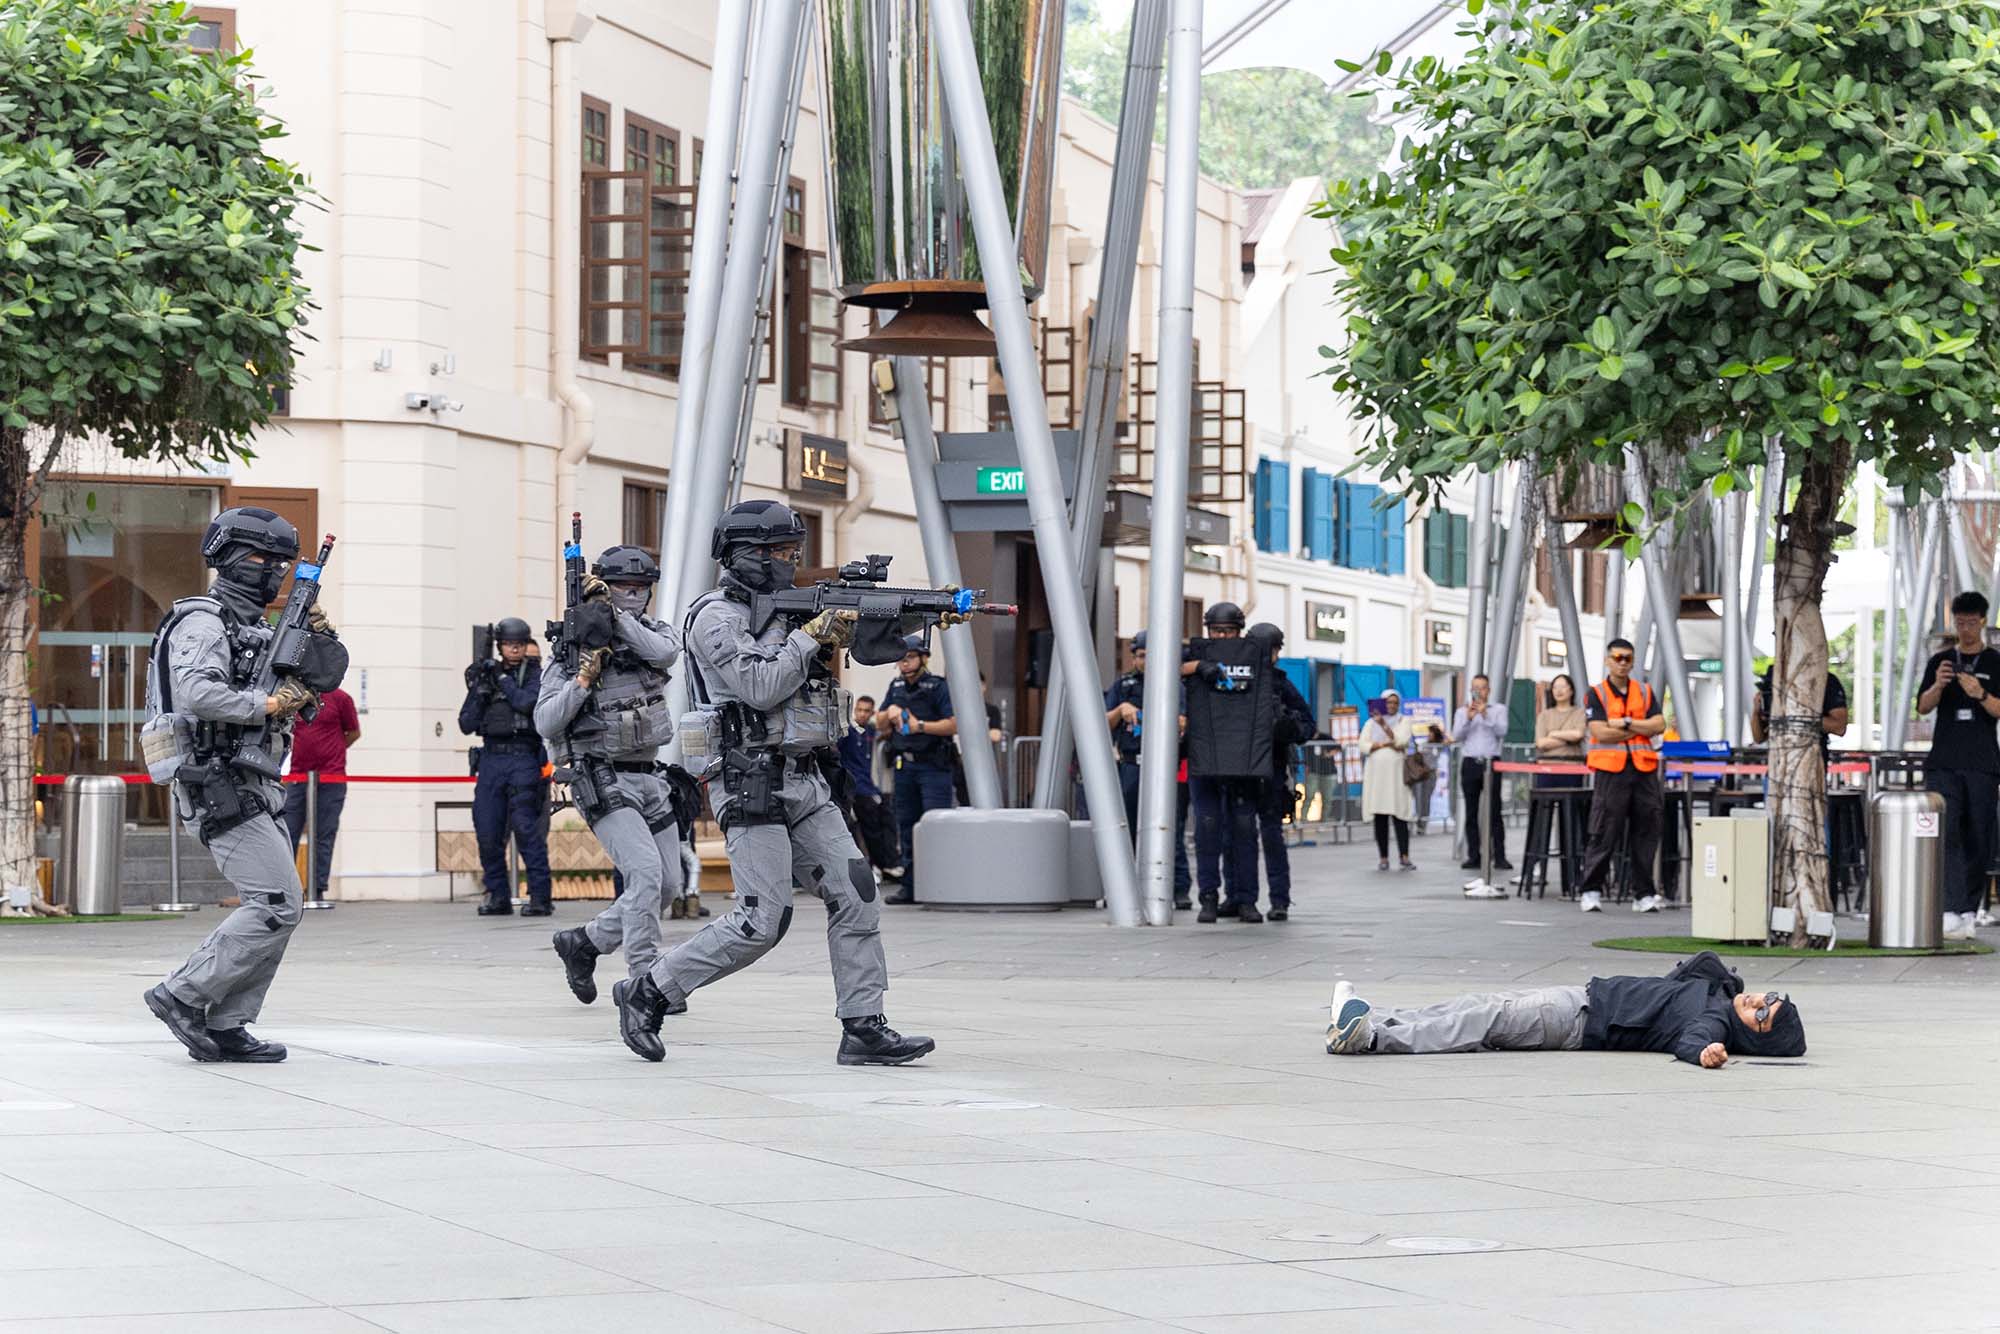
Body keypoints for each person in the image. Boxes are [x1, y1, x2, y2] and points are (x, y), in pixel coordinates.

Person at [612, 500, 931, 1066]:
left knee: (857, 895)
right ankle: (650, 989)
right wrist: (811, 636)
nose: (789, 561)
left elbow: (859, 642)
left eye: (793, 551)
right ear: (746, 555)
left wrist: (908, 618)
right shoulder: (714, 616)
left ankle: (863, 1025)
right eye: (780, 552)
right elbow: (759, 686)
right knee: (762, 920)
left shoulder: (788, 609)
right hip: (748, 778)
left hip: (806, 777)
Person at [143, 507, 337, 1064]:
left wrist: (318, 637)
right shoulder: (205, 621)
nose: (272, 570)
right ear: (229, 558)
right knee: (276, 902)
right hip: (216, 778)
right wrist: (270, 703)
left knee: (283, 904)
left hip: (256, 778)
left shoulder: (256, 628)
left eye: (280, 562)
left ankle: (227, 1023)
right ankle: (183, 994)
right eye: (260, 558)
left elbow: (322, 677)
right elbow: (197, 693)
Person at [542, 545, 687, 1008]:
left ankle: (585, 942)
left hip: (650, 776)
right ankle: (645, 979)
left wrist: (614, 616)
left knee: (669, 884)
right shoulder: (573, 650)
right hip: (604, 777)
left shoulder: (653, 633)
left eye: (642, 588)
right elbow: (545, 721)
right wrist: (582, 681)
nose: (635, 595)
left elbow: (665, 653)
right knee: (644, 874)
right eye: (625, 587)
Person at [1325, 951, 1805, 1066]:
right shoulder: (1719, 997)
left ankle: (1372, 1037)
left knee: (1482, 1020)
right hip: (1581, 998)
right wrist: (1730, 984)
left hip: (1577, 1019)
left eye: (1763, 1014)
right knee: (1476, 1005)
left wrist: (1705, 1053)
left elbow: (1693, 1041)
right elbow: (1699, 962)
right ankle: (1375, 1020)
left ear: (1754, 1035)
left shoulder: (1714, 1021)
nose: (1759, 1002)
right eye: (1770, 998)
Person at [1915, 591, 2000, 939]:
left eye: (1970, 622)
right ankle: (1949, 907)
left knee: (1978, 834)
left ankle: (1969, 908)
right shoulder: (1941, 661)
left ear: (1982, 621)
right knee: (1946, 830)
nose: (1965, 629)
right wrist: (1939, 685)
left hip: (1982, 763)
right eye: (1960, 622)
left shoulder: (1995, 662)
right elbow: (1922, 706)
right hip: (1944, 762)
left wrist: (1980, 693)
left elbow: (1998, 710)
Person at [457, 618, 554, 916]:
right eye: (508, 644)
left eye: (519, 644)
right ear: (500, 646)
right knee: (487, 829)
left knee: (527, 829)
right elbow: (466, 723)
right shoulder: (488, 675)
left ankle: (540, 897)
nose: (514, 649)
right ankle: (497, 895)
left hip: (523, 757)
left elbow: (527, 704)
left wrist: (501, 679)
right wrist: (480, 691)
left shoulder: (535, 674)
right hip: (491, 759)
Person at [1185, 602, 1271, 924]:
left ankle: (1246, 899)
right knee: (1207, 830)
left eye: (1229, 631)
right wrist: (1198, 666)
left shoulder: (1254, 658)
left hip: (1244, 764)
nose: (1222, 637)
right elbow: (1161, 669)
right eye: (1217, 631)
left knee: (1244, 832)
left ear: (1240, 632)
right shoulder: (1195, 654)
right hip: (1205, 760)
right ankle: (1208, 897)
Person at [1576, 638, 1667, 914]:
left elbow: (1659, 724)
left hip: (1643, 770)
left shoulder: (1644, 691)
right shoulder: (1597, 693)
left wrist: (1626, 723)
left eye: (1628, 658)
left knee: (1646, 831)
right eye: (1617, 658)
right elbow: (1600, 732)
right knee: (1604, 830)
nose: (1623, 663)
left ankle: (1644, 894)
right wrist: (1640, 729)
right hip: (1611, 770)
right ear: (1608, 661)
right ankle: (1591, 890)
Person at [1104, 630, 1192, 910]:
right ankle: (1126, 887)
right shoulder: (1123, 686)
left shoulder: (1174, 686)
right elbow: (1103, 722)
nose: (1146, 661)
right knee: (1126, 827)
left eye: (1151, 655)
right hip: (1132, 763)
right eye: (1142, 656)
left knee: (1170, 828)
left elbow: (1183, 721)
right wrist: (1121, 709)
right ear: (1134, 658)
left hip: (1165, 768)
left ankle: (1178, 888)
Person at [877, 638, 957, 905]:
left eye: (910, 657)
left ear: (923, 658)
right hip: (905, 766)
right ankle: (910, 887)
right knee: (907, 827)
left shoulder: (938, 686)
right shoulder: (896, 686)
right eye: (901, 657)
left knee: (935, 826)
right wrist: (889, 712)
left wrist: (919, 726)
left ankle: (940, 886)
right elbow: (880, 723)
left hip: (933, 766)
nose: (905, 662)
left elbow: (953, 724)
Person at [1245, 624, 1313, 920]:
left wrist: (1285, 726)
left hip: (1268, 767)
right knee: (1252, 836)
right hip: (1248, 770)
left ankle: (1273, 899)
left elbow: (1306, 726)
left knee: (1263, 835)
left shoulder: (1280, 685)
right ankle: (1249, 899)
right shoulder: (1246, 679)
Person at [283, 683, 359, 906]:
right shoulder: (293, 697)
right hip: (297, 775)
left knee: (324, 833)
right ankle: (285, 888)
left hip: (331, 777)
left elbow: (353, 733)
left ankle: (317, 887)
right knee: (287, 832)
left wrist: (333, 750)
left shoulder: (341, 698)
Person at [1452, 673, 1510, 872]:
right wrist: (1468, 719)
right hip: (1470, 762)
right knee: (1471, 811)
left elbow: (1502, 731)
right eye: (1475, 688)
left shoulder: (1499, 710)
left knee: (1494, 810)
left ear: (1488, 690)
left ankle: (1500, 856)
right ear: (1471, 690)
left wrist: (1485, 715)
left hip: (1491, 762)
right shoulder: (1462, 711)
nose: (1478, 691)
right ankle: (1474, 855)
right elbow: (1456, 735)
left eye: (1482, 688)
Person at [838, 694, 900, 878]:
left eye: (866, 711)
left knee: (887, 820)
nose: (862, 714)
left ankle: (887, 864)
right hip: (854, 788)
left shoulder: (873, 732)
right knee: (868, 823)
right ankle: (875, 864)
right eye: (859, 710)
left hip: (872, 787)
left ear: (872, 713)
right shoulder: (848, 732)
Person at [1360, 689, 1416, 871]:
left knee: (1400, 814)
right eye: (1388, 702)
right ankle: (1383, 857)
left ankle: (1404, 856)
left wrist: (1384, 726)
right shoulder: (1370, 723)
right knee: (1380, 816)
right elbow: (1363, 745)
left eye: (1395, 703)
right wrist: (1383, 744)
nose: (1391, 706)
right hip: (1377, 776)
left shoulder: (1403, 721)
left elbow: (1401, 741)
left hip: (1396, 775)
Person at [1751, 667, 1849, 754]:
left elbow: (1839, 727)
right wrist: (1756, 711)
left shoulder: (1825, 680)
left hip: (1811, 758)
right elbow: (1758, 738)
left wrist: (1796, 717)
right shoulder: (1774, 678)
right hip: (1777, 760)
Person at [1534, 674, 1588, 781]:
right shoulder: (1544, 715)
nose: (1559, 690)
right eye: (1555, 687)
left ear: (1571, 690)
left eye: (1563, 686)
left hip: (1572, 767)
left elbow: (1578, 734)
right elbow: (1541, 743)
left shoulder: (1580, 713)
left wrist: (1553, 734)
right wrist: (1569, 740)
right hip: (1546, 767)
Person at [1407, 721, 1446, 835]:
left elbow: (1448, 741)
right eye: (1429, 732)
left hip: (1430, 774)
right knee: (1418, 799)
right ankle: (1417, 821)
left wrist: (1441, 732)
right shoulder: (1424, 744)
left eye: (1431, 733)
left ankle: (1423, 824)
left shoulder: (1439, 745)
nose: (1429, 734)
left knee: (1426, 799)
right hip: (1420, 774)